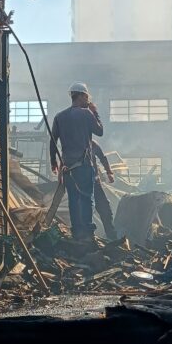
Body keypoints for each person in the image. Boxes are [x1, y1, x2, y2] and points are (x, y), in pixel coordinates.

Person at [50, 83, 103, 241]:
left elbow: (53, 142)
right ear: (80, 96)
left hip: (67, 168)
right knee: (87, 198)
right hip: (84, 165)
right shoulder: (87, 114)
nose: (88, 100)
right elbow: (100, 131)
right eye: (86, 97)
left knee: (73, 199)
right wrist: (95, 112)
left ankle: (76, 231)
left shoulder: (59, 117)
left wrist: (53, 162)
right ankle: (87, 231)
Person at [92, 142, 117, 241]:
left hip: (94, 182)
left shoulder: (92, 143)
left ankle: (111, 237)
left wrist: (109, 172)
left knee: (105, 209)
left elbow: (102, 157)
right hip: (81, 184)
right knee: (86, 211)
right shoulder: (73, 143)